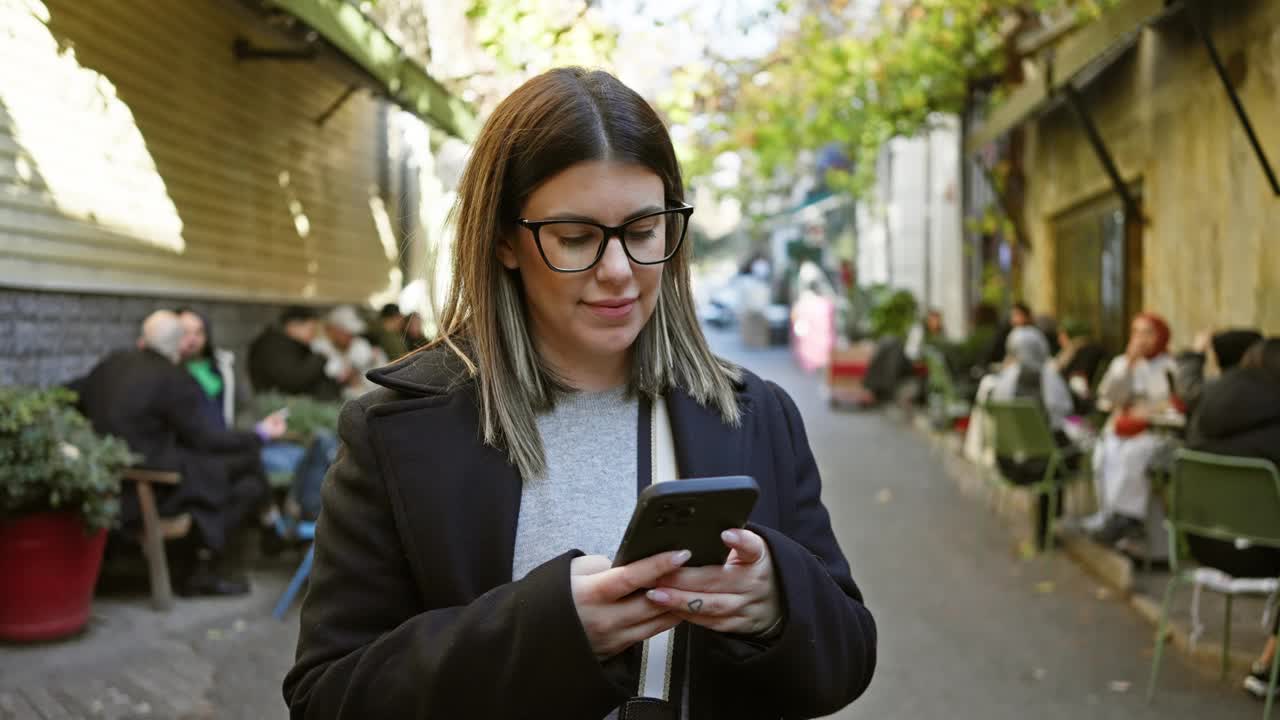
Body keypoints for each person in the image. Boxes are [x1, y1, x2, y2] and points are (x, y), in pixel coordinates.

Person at [283, 67, 876, 719]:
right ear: (505, 240)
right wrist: (543, 635)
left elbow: (845, 659)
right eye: (577, 239)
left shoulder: (754, 415)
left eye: (645, 231)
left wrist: (776, 605)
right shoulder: (397, 433)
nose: (619, 272)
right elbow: (326, 698)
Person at [72, 311, 286, 596]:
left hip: (109, 481)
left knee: (242, 474)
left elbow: (72, 394)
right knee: (246, 474)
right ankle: (209, 565)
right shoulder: (173, 378)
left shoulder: (110, 364)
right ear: (177, 346)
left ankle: (260, 530)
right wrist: (260, 435)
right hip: (150, 488)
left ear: (143, 339)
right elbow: (209, 438)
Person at [1184, 337, 1280, 700]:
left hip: (1203, 543)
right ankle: (1271, 668)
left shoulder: (1204, 414)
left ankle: (1270, 663)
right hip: (1262, 549)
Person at [1088, 312, 1180, 546]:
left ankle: (1129, 519)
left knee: (1133, 455)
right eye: (1137, 332)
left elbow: (1174, 402)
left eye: (1148, 333)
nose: (1142, 339)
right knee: (1104, 454)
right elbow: (1109, 395)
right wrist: (1128, 365)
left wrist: (1150, 412)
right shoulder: (1122, 363)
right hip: (1122, 428)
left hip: (1155, 432)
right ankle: (1111, 515)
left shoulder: (1169, 365)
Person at [989, 327, 1077, 547]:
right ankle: (1049, 527)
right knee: (1062, 448)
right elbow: (1065, 409)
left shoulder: (1005, 378)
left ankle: (1046, 528)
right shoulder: (1049, 376)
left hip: (1009, 462)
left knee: (1049, 448)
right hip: (1042, 466)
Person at [248, 307, 340, 401]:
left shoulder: (290, 344)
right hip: (279, 404)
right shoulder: (274, 346)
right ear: (293, 326)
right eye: (311, 329)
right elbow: (293, 379)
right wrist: (320, 358)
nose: (313, 334)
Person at [1174, 327, 1262, 422]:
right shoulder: (1260, 382)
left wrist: (1196, 353)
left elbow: (1190, 392)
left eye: (1211, 353)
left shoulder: (1235, 388)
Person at [176, 308, 239, 430]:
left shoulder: (223, 365)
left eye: (198, 333)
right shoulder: (166, 368)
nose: (192, 339)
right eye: (185, 332)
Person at [313, 305, 386, 399]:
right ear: (332, 330)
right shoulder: (320, 348)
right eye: (344, 331)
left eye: (351, 332)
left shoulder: (360, 344)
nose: (350, 336)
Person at [1053, 318, 1109, 415]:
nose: (1059, 339)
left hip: (1080, 407)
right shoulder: (1071, 350)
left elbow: (1079, 382)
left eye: (1062, 335)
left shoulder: (1087, 350)